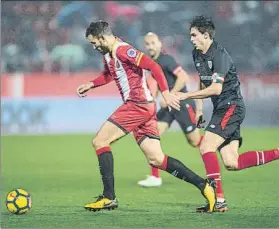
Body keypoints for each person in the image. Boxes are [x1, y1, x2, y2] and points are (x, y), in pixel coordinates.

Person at [76, 20, 217, 213]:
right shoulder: (108, 54)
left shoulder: (123, 50)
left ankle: (109, 197)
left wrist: (166, 93)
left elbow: (154, 66)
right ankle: (205, 186)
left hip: (137, 104)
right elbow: (109, 74)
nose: (93, 47)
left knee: (100, 141)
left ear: (102, 37)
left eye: (94, 42)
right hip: (145, 107)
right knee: (157, 159)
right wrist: (91, 84)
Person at [175, 15, 279, 212]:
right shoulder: (197, 54)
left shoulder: (219, 56)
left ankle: (218, 199)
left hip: (231, 106)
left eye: (194, 35)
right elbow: (203, 80)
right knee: (232, 162)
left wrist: (185, 96)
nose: (191, 39)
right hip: (221, 108)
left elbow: (215, 89)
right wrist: (198, 108)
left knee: (206, 147)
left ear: (206, 35)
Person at [137, 32, 203, 187]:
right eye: (147, 44)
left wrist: (169, 96)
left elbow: (184, 77)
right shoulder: (152, 63)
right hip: (169, 105)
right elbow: (163, 83)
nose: (150, 46)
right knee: (151, 136)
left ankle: (219, 145)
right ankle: (155, 177)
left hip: (181, 103)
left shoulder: (166, 59)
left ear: (160, 43)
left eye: (153, 43)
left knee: (194, 141)